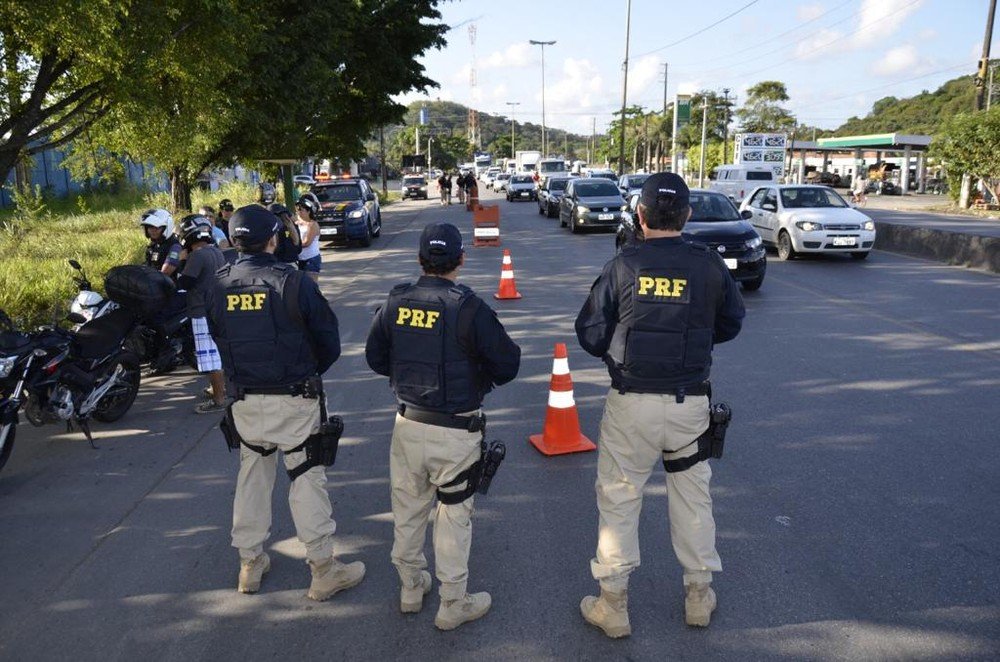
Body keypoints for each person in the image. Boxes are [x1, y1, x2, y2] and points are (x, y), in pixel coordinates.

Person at [574, 173, 745, 638]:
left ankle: (613, 604)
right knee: (693, 498)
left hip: (631, 406)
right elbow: (730, 324)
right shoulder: (708, 265)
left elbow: (590, 335)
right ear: (687, 215)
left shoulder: (622, 266)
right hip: (690, 405)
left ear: (641, 215)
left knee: (619, 498)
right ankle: (697, 596)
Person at [204, 205, 365, 600]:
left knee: (252, 479)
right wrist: (304, 371)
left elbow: (217, 336)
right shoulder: (292, 283)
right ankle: (323, 569)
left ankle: (250, 564)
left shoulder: (217, 283)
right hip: (294, 398)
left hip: (244, 403)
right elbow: (328, 342)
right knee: (307, 479)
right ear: (273, 239)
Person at [365, 222, 520, 631]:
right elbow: (508, 364)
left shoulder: (396, 301)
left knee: (409, 510)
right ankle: (453, 602)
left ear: (420, 260)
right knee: (453, 516)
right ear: (461, 260)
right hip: (456, 431)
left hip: (408, 423)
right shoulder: (468, 308)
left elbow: (375, 357)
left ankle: (411, 588)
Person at [176, 215, 228, 414]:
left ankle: (219, 399)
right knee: (217, 354)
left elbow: (185, 283)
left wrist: (181, 262)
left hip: (201, 310)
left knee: (210, 358)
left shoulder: (197, 256)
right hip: (216, 308)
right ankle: (219, 389)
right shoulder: (215, 252)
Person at [140, 208, 183, 280]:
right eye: (149, 227)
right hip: (153, 285)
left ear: (166, 228)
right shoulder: (154, 245)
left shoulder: (175, 246)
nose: (152, 231)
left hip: (169, 287)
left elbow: (165, 273)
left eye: (156, 228)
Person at [294, 194, 322, 282]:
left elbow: (306, 243)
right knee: (301, 287)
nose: (298, 212)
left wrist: (292, 244)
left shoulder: (312, 225)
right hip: (300, 259)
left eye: (301, 210)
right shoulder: (296, 222)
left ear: (308, 211)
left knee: (311, 286)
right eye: (297, 209)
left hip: (311, 259)